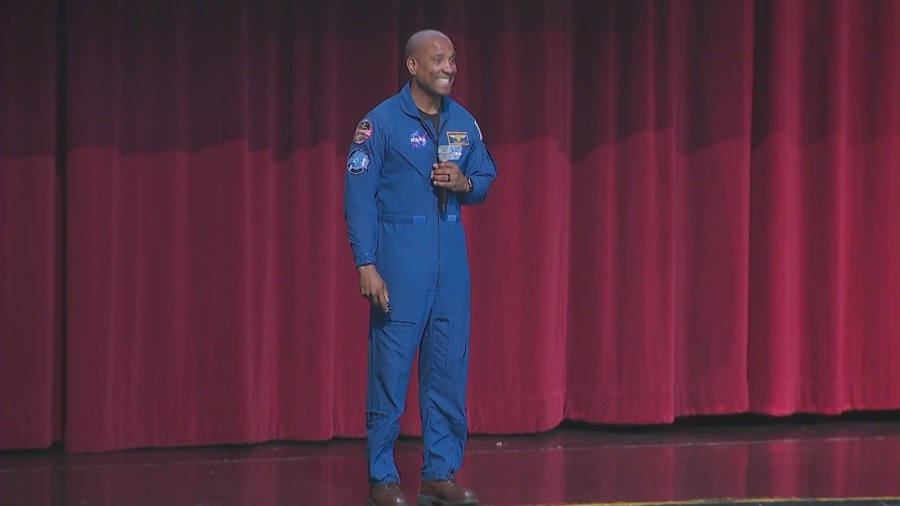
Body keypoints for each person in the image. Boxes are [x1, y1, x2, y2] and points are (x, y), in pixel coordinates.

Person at [343, 29, 498, 506]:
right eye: (438, 60)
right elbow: (358, 194)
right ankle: (383, 475)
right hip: (400, 256)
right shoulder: (381, 123)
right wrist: (365, 263)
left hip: (450, 261)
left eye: (452, 59)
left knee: (449, 369)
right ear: (413, 67)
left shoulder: (463, 123)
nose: (449, 67)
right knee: (390, 372)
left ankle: (439, 472)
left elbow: (487, 176)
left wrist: (466, 181)